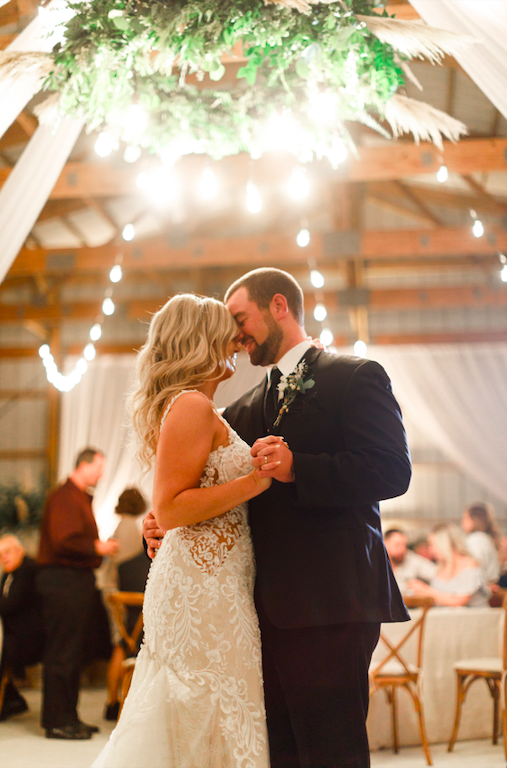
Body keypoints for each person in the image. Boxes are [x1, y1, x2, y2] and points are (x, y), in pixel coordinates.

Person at [144, 268, 412, 768]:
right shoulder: (240, 409)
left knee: (332, 750)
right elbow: (209, 490)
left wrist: (298, 469)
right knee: (280, 752)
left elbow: (392, 471)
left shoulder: (355, 375)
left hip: (332, 600)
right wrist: (164, 520)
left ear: (279, 307)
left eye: (241, 319)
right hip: (256, 609)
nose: (234, 335)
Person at [92, 294, 273, 768]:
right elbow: (170, 508)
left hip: (213, 580)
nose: (237, 338)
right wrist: (255, 480)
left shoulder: (200, 407)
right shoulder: (192, 405)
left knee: (210, 710)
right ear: (202, 340)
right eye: (227, 329)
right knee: (206, 710)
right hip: (201, 587)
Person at [36, 447, 118, 740]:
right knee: (62, 653)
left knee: (71, 652)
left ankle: (68, 716)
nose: (101, 474)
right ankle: (57, 720)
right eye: (99, 467)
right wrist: (97, 547)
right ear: (83, 466)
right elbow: (62, 541)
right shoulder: (65, 497)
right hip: (63, 581)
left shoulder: (74, 497)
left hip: (72, 581)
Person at [101, 487, 148, 721]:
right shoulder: (133, 529)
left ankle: (112, 702)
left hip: (114, 593)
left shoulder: (119, 527)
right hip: (125, 596)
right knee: (123, 645)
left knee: (119, 645)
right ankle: (116, 701)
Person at [0, 534, 43, 721]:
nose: (4, 558)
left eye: (7, 552)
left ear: (20, 551)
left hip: (31, 638)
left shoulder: (28, 569)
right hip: (13, 633)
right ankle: (12, 700)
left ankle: (10, 700)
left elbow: (10, 605)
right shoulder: (10, 574)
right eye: (0, 554)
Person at [408, 522, 490, 607]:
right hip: (446, 619)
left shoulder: (470, 566)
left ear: (445, 544)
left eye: (432, 545)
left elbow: (458, 602)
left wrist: (426, 590)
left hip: (473, 619)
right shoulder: (441, 567)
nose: (430, 550)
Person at [383, 528, 437, 594]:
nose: (402, 549)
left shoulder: (412, 560)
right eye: (397, 545)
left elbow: (436, 572)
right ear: (384, 544)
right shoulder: (375, 563)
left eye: (404, 545)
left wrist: (424, 588)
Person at [461, 502, 501, 585]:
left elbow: (475, 570)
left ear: (475, 519)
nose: (462, 522)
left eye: (465, 518)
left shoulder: (476, 539)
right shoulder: (484, 538)